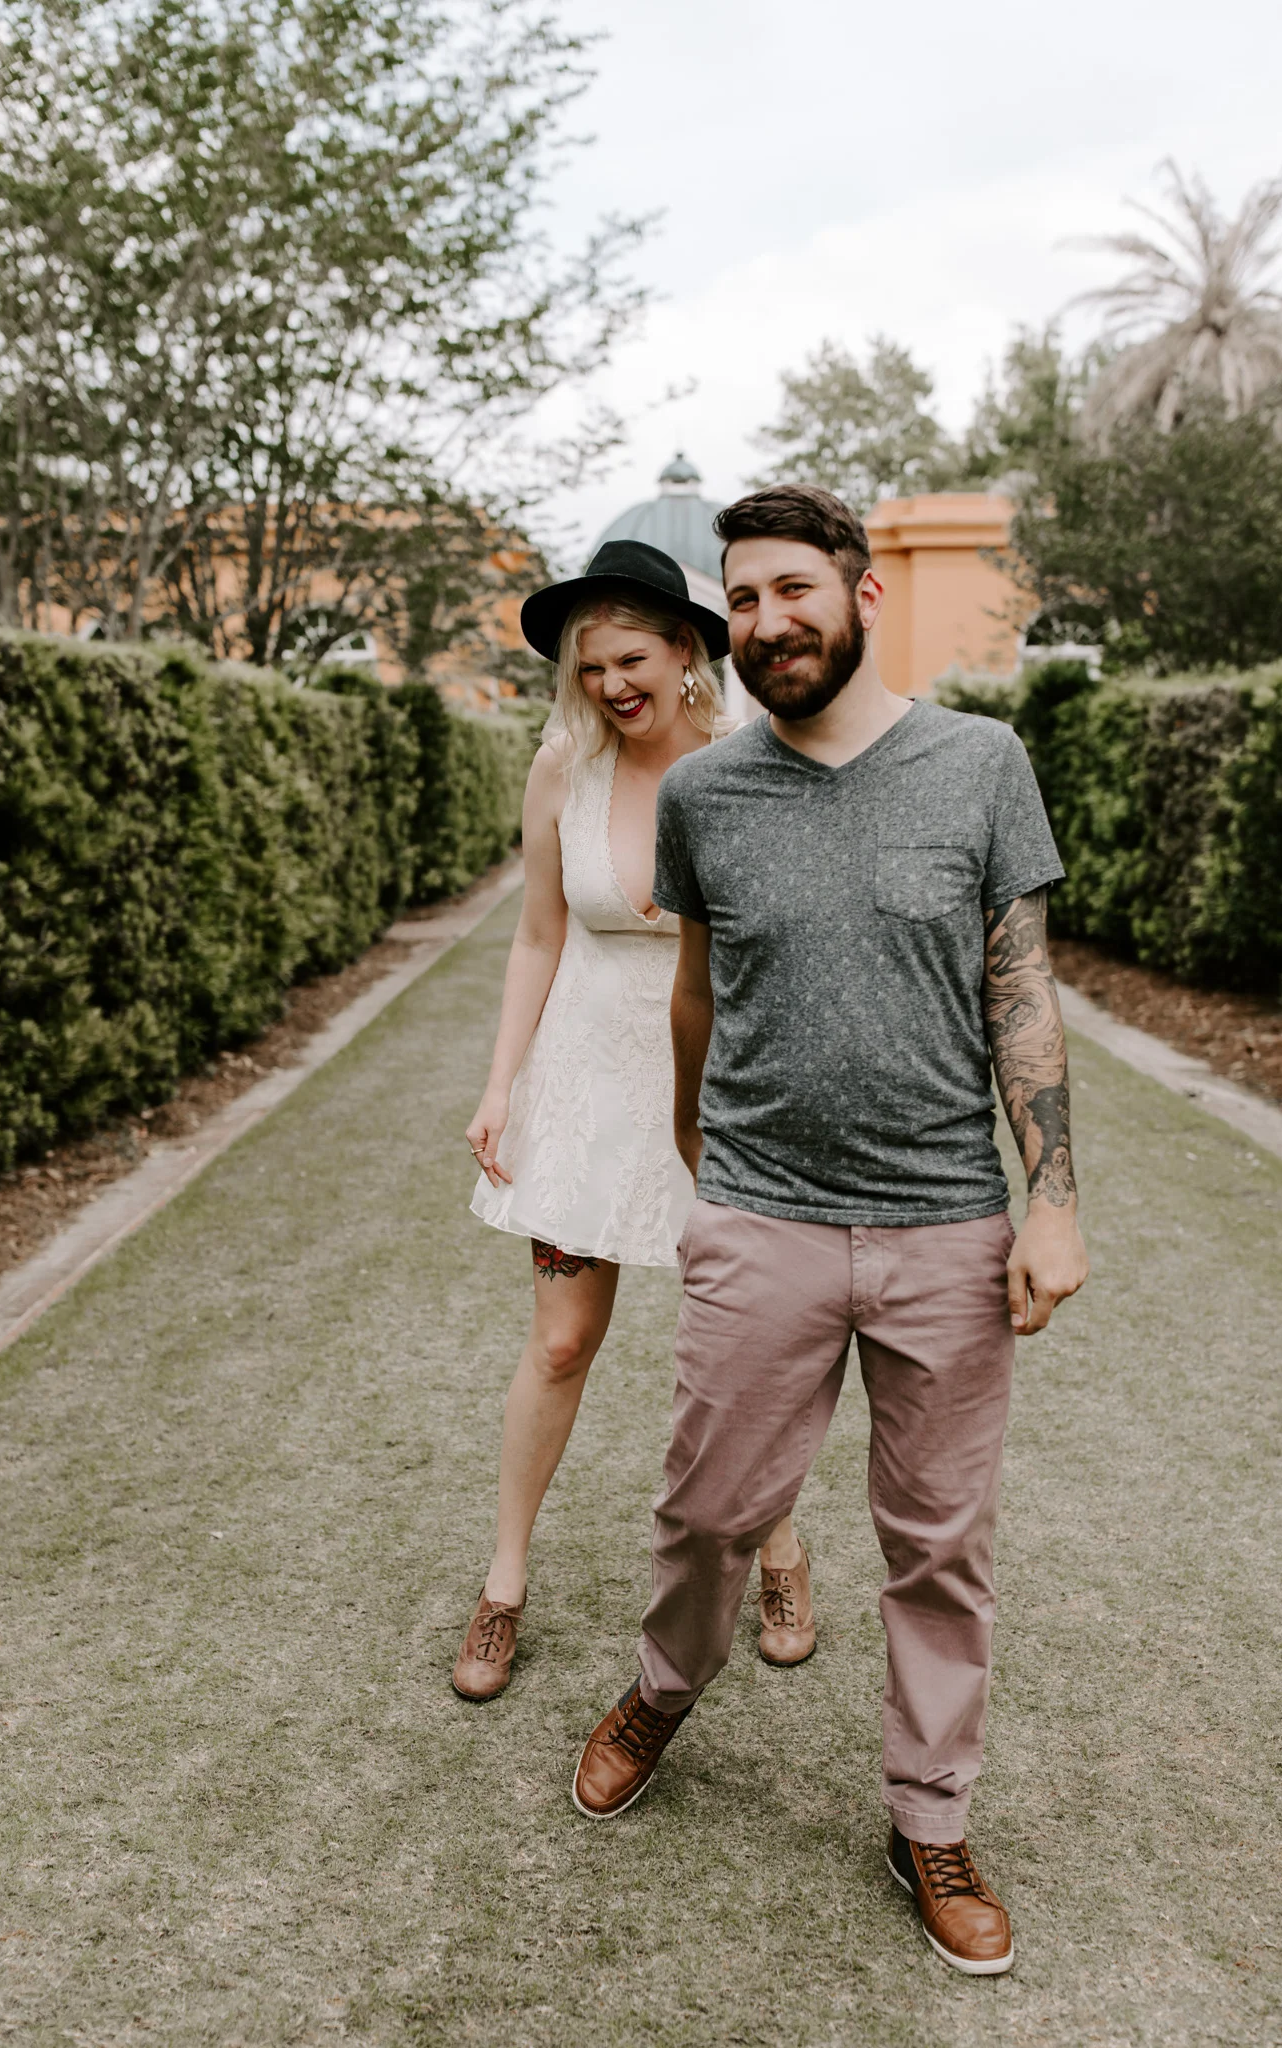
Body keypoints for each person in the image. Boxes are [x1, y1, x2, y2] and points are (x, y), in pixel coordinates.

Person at [571, 486, 1090, 1978]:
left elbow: (1020, 987)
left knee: (940, 1546)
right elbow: (695, 991)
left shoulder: (980, 764)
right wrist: (702, 1159)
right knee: (706, 1511)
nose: (765, 622)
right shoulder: (706, 795)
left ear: (862, 595)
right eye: (740, 600)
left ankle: (931, 1816)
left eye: (791, 589)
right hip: (763, 1216)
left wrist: (1052, 1194)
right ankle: (664, 1686)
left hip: (946, 1223)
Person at [452, 538, 810, 1702]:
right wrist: (502, 1083)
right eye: (591, 665)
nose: (611, 683)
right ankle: (503, 1582)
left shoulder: (758, 762)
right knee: (561, 1340)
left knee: (746, 1344)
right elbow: (537, 935)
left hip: (724, 1085)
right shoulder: (564, 765)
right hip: (585, 1083)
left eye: (631, 659)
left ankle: (781, 1548)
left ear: (686, 651)